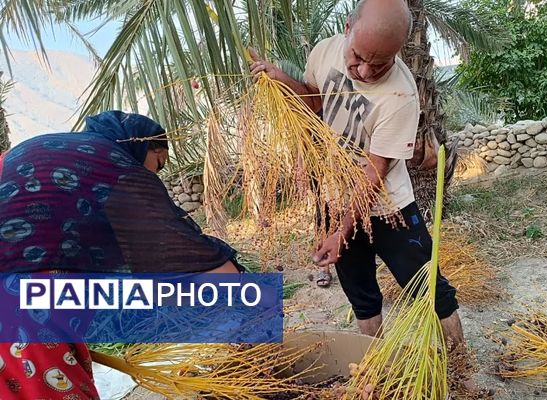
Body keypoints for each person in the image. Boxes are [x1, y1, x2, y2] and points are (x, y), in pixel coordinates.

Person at [249, 0, 468, 347]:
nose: (364, 72)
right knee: (360, 293)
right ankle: (375, 363)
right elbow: (315, 103)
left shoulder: (400, 94)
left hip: (387, 206)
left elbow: (375, 172)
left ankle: (460, 362)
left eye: (379, 65)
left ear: (397, 52)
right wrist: (284, 81)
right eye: (358, 58)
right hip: (334, 198)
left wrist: (341, 231)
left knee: (428, 287)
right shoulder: (325, 52)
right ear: (348, 27)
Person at [0, 111, 242, 399]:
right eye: (159, 163)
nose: (155, 172)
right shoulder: (116, 165)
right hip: (29, 299)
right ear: (145, 145)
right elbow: (179, 244)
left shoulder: (47, 148)